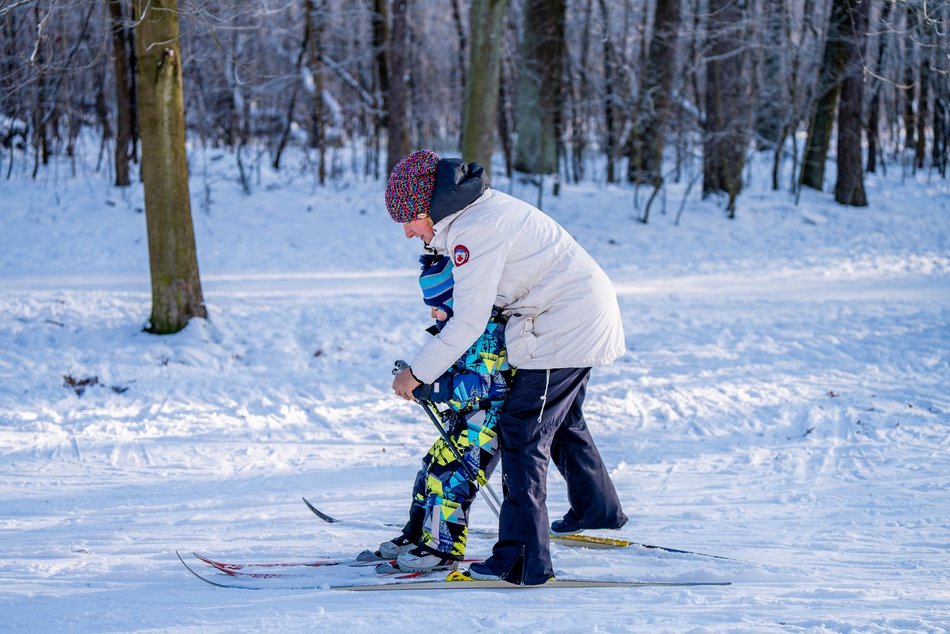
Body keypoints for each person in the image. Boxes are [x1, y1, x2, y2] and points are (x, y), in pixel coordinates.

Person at [387, 149, 628, 586]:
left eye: (409, 220)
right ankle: (597, 507)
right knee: (561, 419)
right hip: (575, 313)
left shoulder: (474, 232)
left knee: (522, 432)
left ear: (429, 209)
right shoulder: (475, 214)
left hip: (560, 323)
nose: (407, 233)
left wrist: (418, 374)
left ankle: (522, 559)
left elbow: (468, 321)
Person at [380, 252, 510, 573]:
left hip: (488, 426)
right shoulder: (453, 333)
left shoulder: (486, 331)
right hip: (464, 422)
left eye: (438, 305)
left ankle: (443, 548)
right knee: (429, 470)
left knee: (450, 479)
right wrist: (419, 377)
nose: (434, 313)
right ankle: (418, 535)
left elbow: (479, 383)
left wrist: (432, 388)